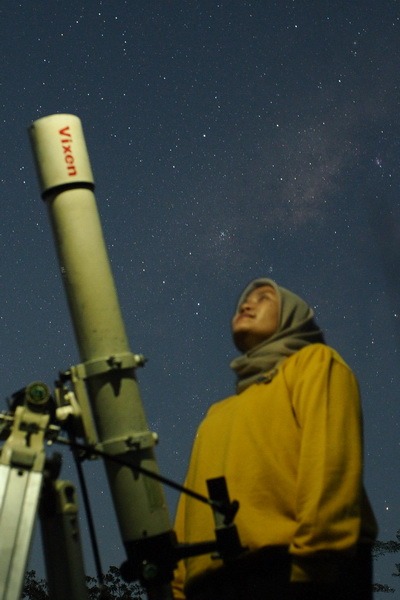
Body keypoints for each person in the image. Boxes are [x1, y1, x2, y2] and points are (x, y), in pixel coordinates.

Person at [172, 278, 377, 600]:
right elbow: (191, 505)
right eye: (244, 299)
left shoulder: (315, 363)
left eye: (264, 298)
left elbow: (329, 465)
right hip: (214, 586)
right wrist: (178, 587)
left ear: (293, 317)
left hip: (296, 572)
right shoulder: (216, 413)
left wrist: (315, 567)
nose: (246, 304)